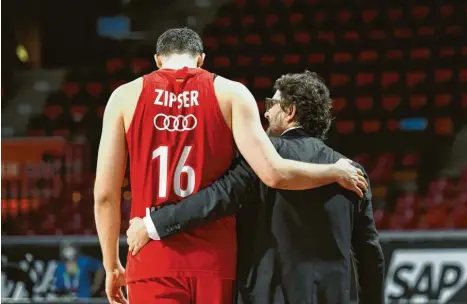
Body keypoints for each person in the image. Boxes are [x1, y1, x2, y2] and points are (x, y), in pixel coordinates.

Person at [94, 28, 367, 304]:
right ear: (201, 59)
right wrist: (334, 171)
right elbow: (274, 173)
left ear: (157, 60)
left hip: (152, 257)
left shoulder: (124, 97)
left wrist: (111, 265)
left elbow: (105, 195)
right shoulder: (232, 93)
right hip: (215, 261)